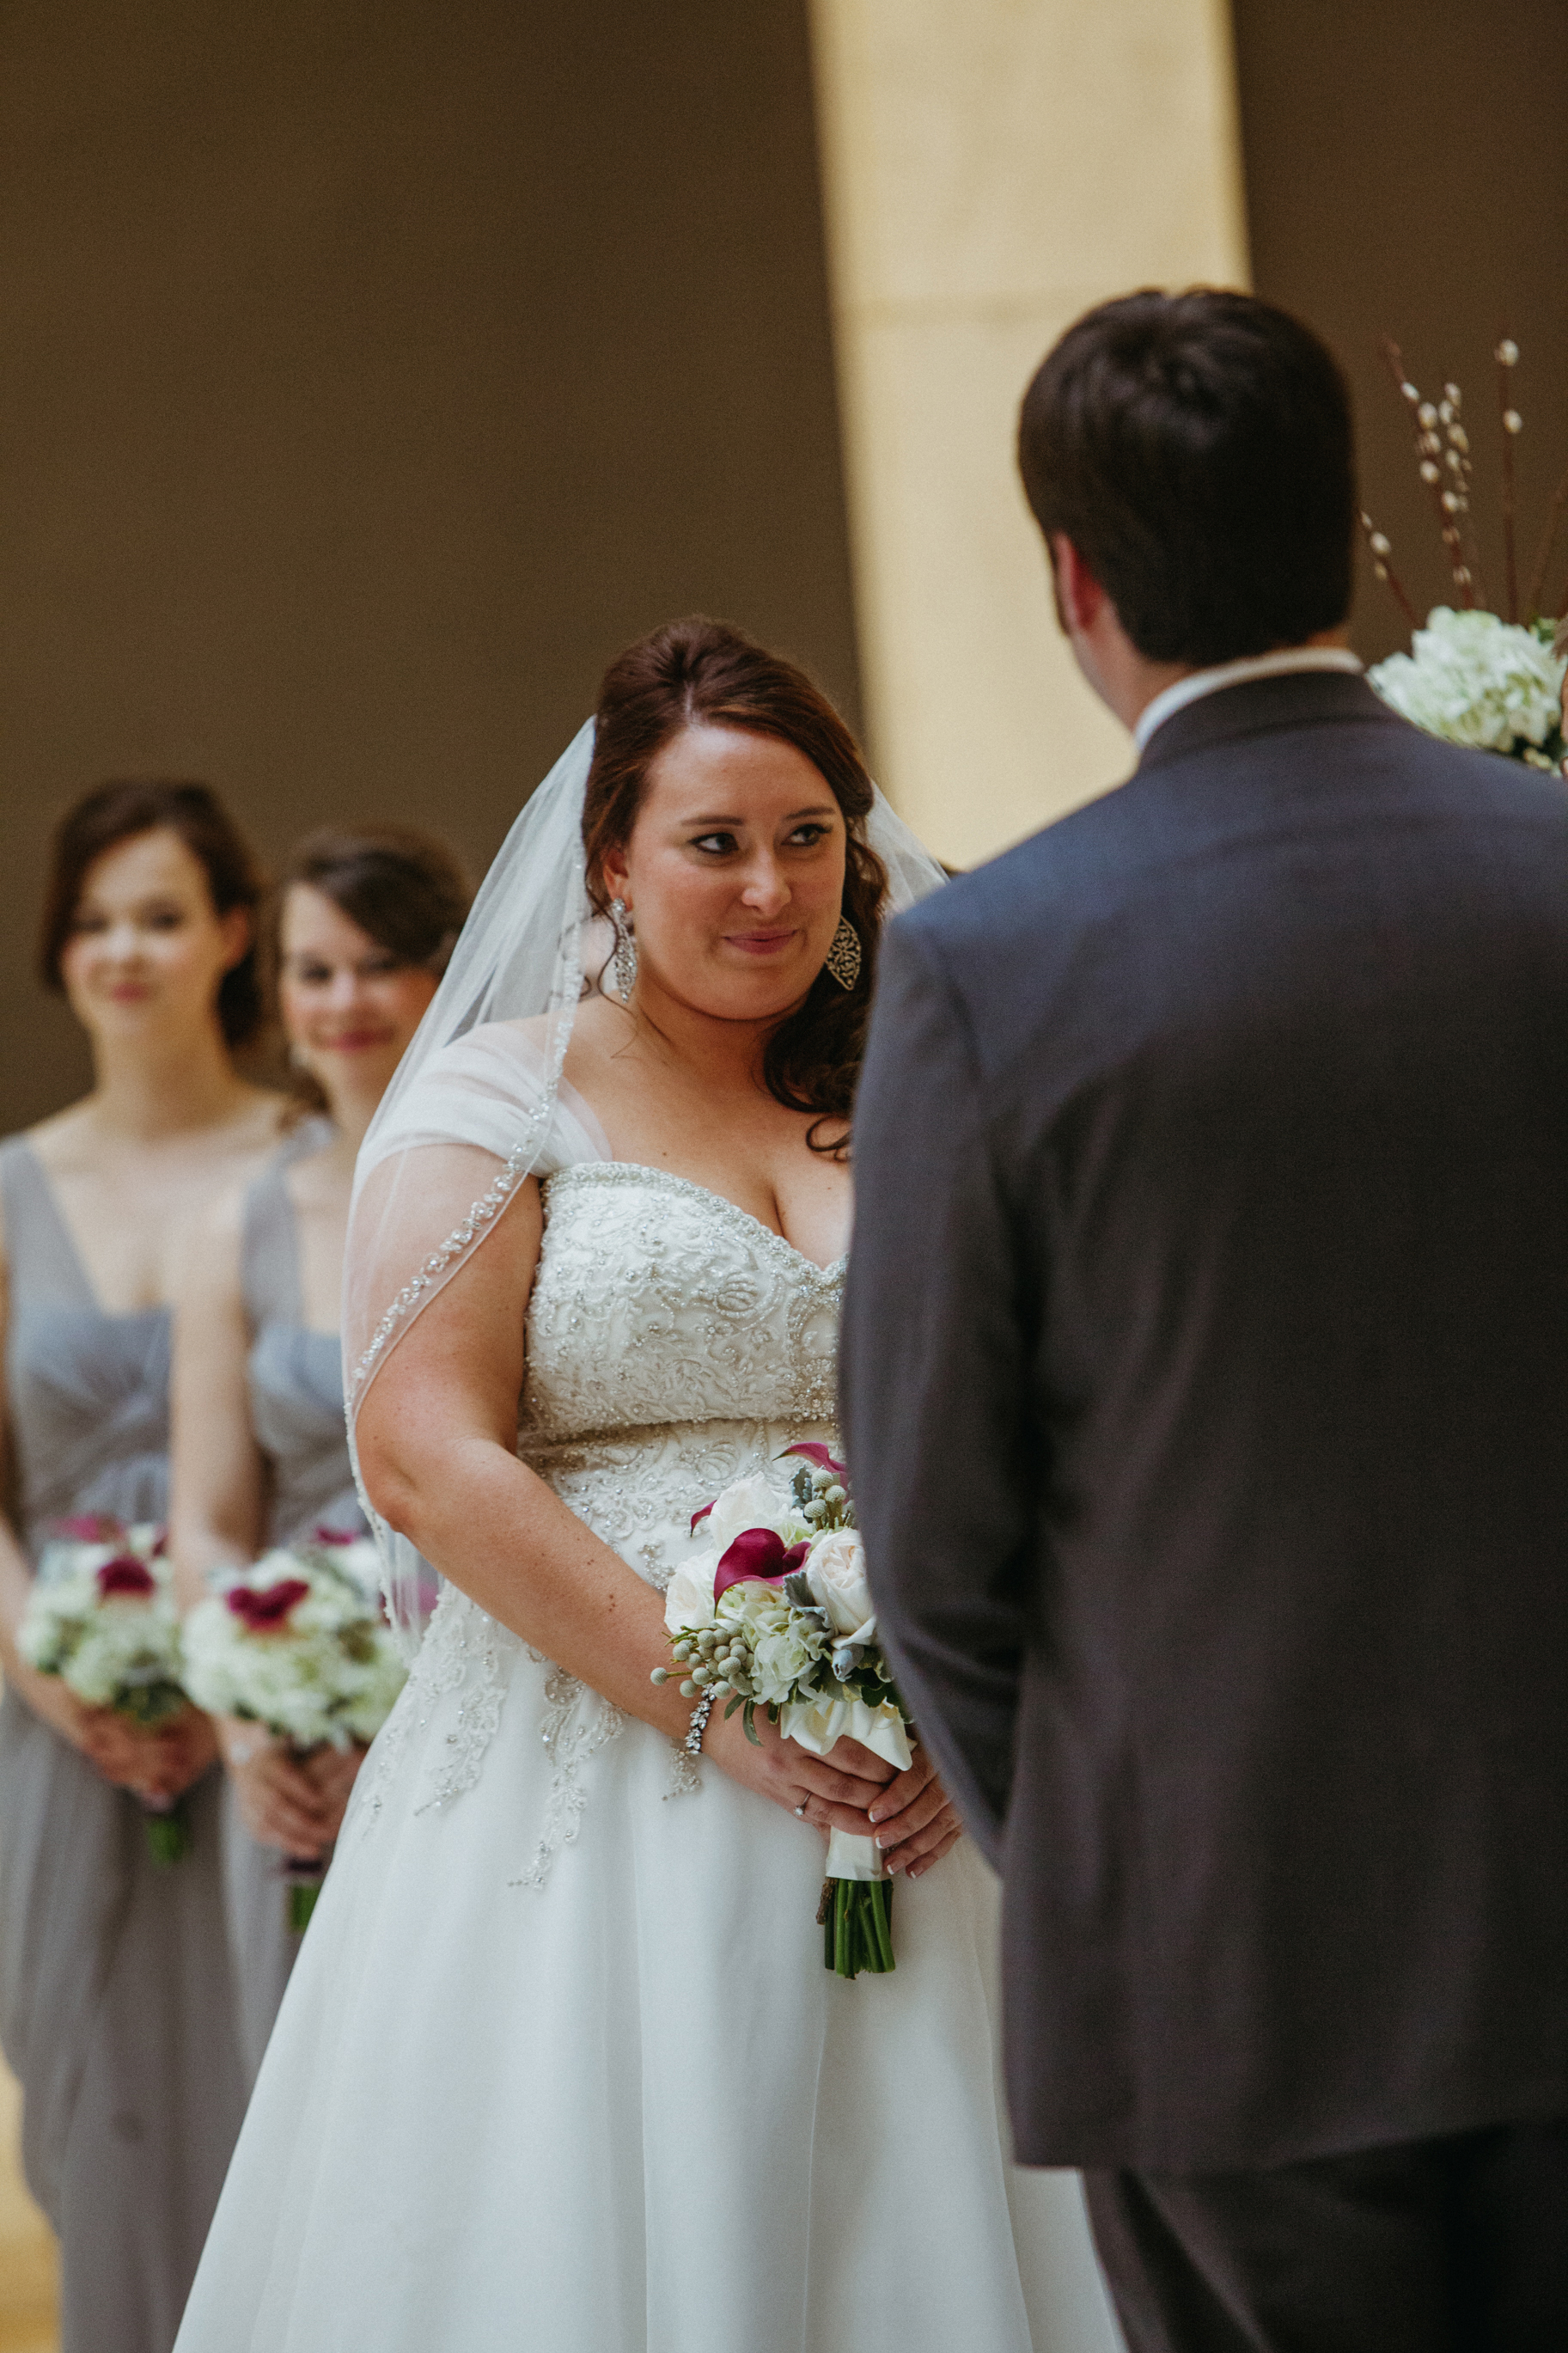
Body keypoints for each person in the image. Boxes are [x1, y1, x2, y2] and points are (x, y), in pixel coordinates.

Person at [174, 618, 1124, 2353]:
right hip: (588, 1779)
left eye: (806, 836)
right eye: (712, 843)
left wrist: (957, 1693)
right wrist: (720, 1707)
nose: (769, 887)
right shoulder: (493, 1097)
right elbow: (421, 1451)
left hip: (919, 1776)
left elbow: (1055, 1417)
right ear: (609, 853)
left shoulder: (931, 1090)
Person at [841, 287, 1568, 2353]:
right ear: (1341, 528)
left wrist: (1114, 1852)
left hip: (1220, 1964)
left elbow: (940, 1557)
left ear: (1072, 578)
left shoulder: (989, 971)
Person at [0, 780, 288, 2353]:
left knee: (281, 2090)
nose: (124, 949)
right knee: (89, 2115)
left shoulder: (308, 1159)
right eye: (96, 919)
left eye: (162, 915)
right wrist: (66, 1691)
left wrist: (246, 1681)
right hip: (56, 1733)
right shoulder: (9, 1188)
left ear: (232, 936)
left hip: (284, 1719)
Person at [170, 828, 470, 2078]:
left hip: (475, 1692)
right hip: (298, 1731)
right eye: (313, 969)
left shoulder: (518, 1183)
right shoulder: (233, 1224)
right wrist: (254, 1725)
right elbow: (206, 1518)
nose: (343, 1000)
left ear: (444, 973)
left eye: (378, 964)